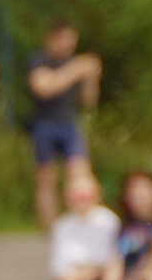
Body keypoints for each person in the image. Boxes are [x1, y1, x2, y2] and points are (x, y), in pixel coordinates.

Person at [22, 19, 98, 229]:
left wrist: (91, 78)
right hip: (44, 123)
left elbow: (88, 101)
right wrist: (76, 69)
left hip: (69, 121)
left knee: (80, 172)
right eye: (65, 40)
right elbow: (44, 87)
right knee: (46, 177)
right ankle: (51, 228)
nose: (69, 46)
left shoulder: (73, 63)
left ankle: (83, 222)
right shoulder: (39, 60)